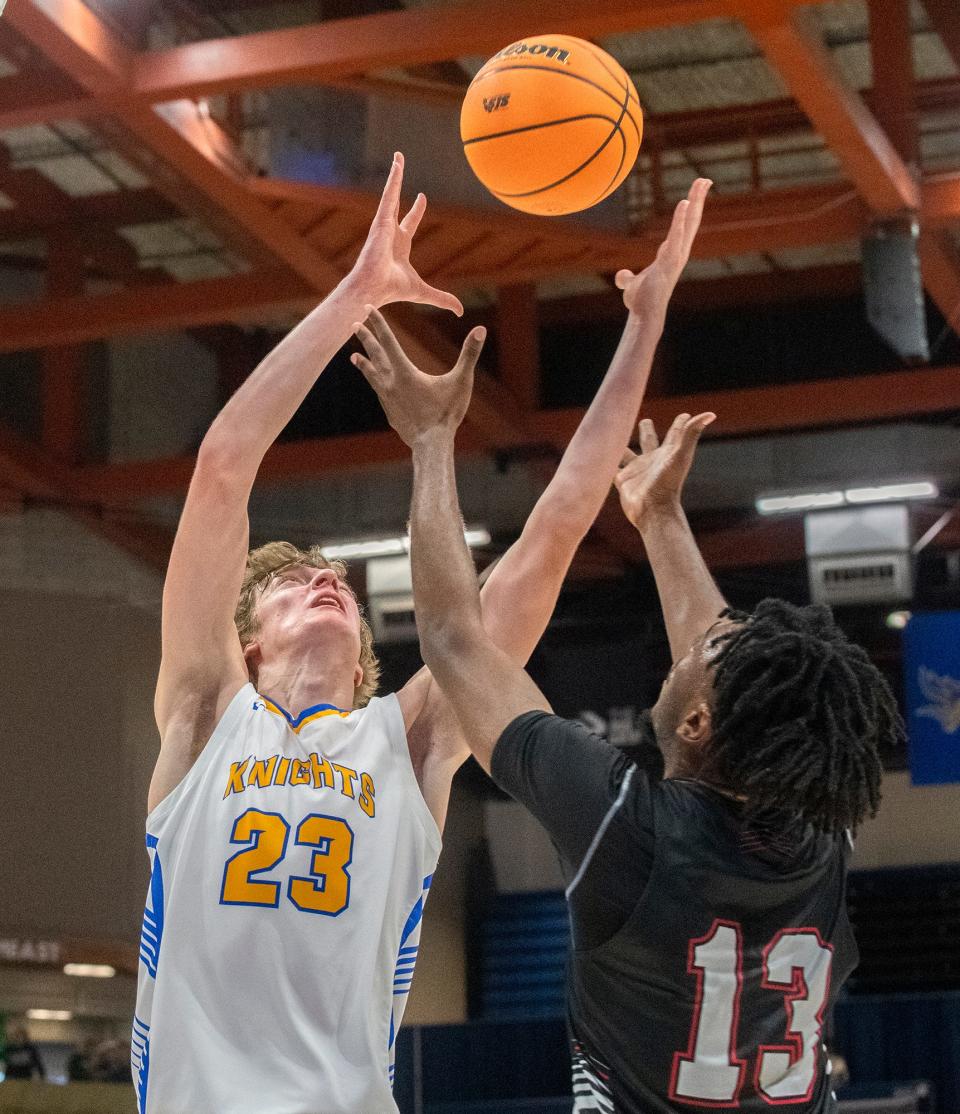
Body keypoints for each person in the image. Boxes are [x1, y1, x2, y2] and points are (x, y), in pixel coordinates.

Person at [131, 151, 711, 1114]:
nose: (324, 581)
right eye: (290, 585)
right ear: (248, 647)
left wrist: (644, 326)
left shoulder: (408, 738)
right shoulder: (202, 715)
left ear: (364, 648)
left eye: (339, 584)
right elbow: (224, 466)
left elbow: (560, 524)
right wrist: (354, 294)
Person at [357, 283, 901, 1108]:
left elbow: (456, 641)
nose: (704, 631)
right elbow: (734, 699)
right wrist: (660, 518)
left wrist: (431, 440)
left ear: (696, 719)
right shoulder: (819, 830)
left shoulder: (628, 830)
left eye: (710, 649)